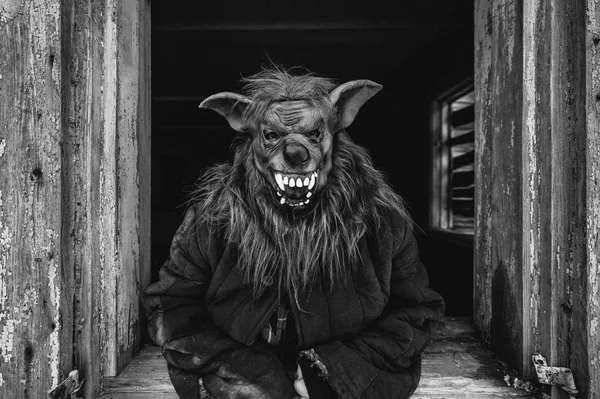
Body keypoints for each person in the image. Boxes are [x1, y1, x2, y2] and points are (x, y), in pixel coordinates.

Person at [143, 66, 445, 398]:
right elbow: (171, 308)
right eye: (272, 135)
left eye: (314, 134)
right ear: (248, 131)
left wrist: (336, 373)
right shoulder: (212, 219)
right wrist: (251, 378)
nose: (296, 152)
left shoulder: (381, 221)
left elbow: (416, 312)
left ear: (337, 125)